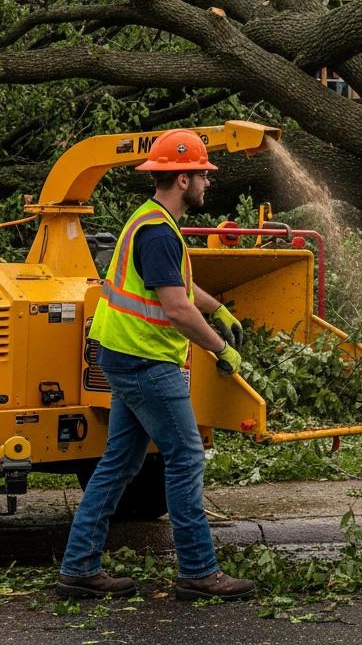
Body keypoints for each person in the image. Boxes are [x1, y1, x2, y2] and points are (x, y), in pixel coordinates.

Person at [58, 129, 255, 601]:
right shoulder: (157, 232)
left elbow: (182, 291)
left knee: (119, 463)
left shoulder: (151, 222)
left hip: (125, 357)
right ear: (183, 178)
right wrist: (219, 349)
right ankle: (199, 571)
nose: (208, 183)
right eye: (203, 176)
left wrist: (219, 309)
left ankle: (79, 567)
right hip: (146, 361)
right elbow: (175, 308)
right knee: (185, 458)